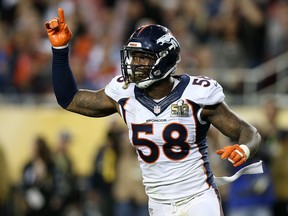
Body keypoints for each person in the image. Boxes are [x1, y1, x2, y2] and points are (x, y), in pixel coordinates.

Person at [45, 8, 261, 216]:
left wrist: (244, 148)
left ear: (164, 59)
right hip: (158, 204)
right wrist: (60, 50)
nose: (134, 63)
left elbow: (248, 131)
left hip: (198, 197)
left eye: (142, 57)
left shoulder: (196, 95)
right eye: (133, 56)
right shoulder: (124, 93)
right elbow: (69, 99)